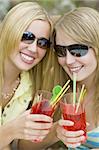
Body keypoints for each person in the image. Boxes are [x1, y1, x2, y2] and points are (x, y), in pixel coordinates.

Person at [0, 1, 55, 150]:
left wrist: (56, 131)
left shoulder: (30, 86)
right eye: (27, 36)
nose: (33, 48)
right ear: (10, 31)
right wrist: (11, 130)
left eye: (42, 43)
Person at [54, 7, 99, 149]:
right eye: (61, 51)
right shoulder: (61, 89)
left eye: (77, 50)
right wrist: (55, 131)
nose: (68, 61)